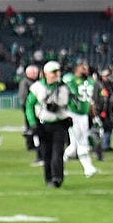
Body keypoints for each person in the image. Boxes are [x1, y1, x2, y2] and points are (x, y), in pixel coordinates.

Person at [25, 60, 72, 188]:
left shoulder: (65, 87)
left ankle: (57, 178)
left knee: (58, 152)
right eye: (54, 72)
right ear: (46, 73)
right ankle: (48, 178)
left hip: (59, 124)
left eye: (58, 71)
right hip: (43, 124)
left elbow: (72, 104)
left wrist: (69, 115)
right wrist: (32, 123)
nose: (57, 74)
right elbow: (29, 105)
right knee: (46, 153)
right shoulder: (37, 87)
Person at [62, 62, 99, 178]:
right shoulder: (70, 79)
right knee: (82, 143)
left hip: (83, 115)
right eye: (83, 67)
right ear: (76, 68)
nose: (85, 69)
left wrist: (95, 117)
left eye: (86, 67)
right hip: (72, 114)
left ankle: (58, 166)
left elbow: (90, 101)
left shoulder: (91, 81)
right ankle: (88, 168)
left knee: (74, 147)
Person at [19, 64, 42, 165]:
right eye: (34, 73)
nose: (36, 74)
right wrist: (26, 107)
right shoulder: (26, 82)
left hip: (36, 109)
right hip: (31, 109)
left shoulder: (32, 82)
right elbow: (24, 97)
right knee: (32, 128)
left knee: (33, 129)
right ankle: (32, 146)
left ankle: (34, 147)